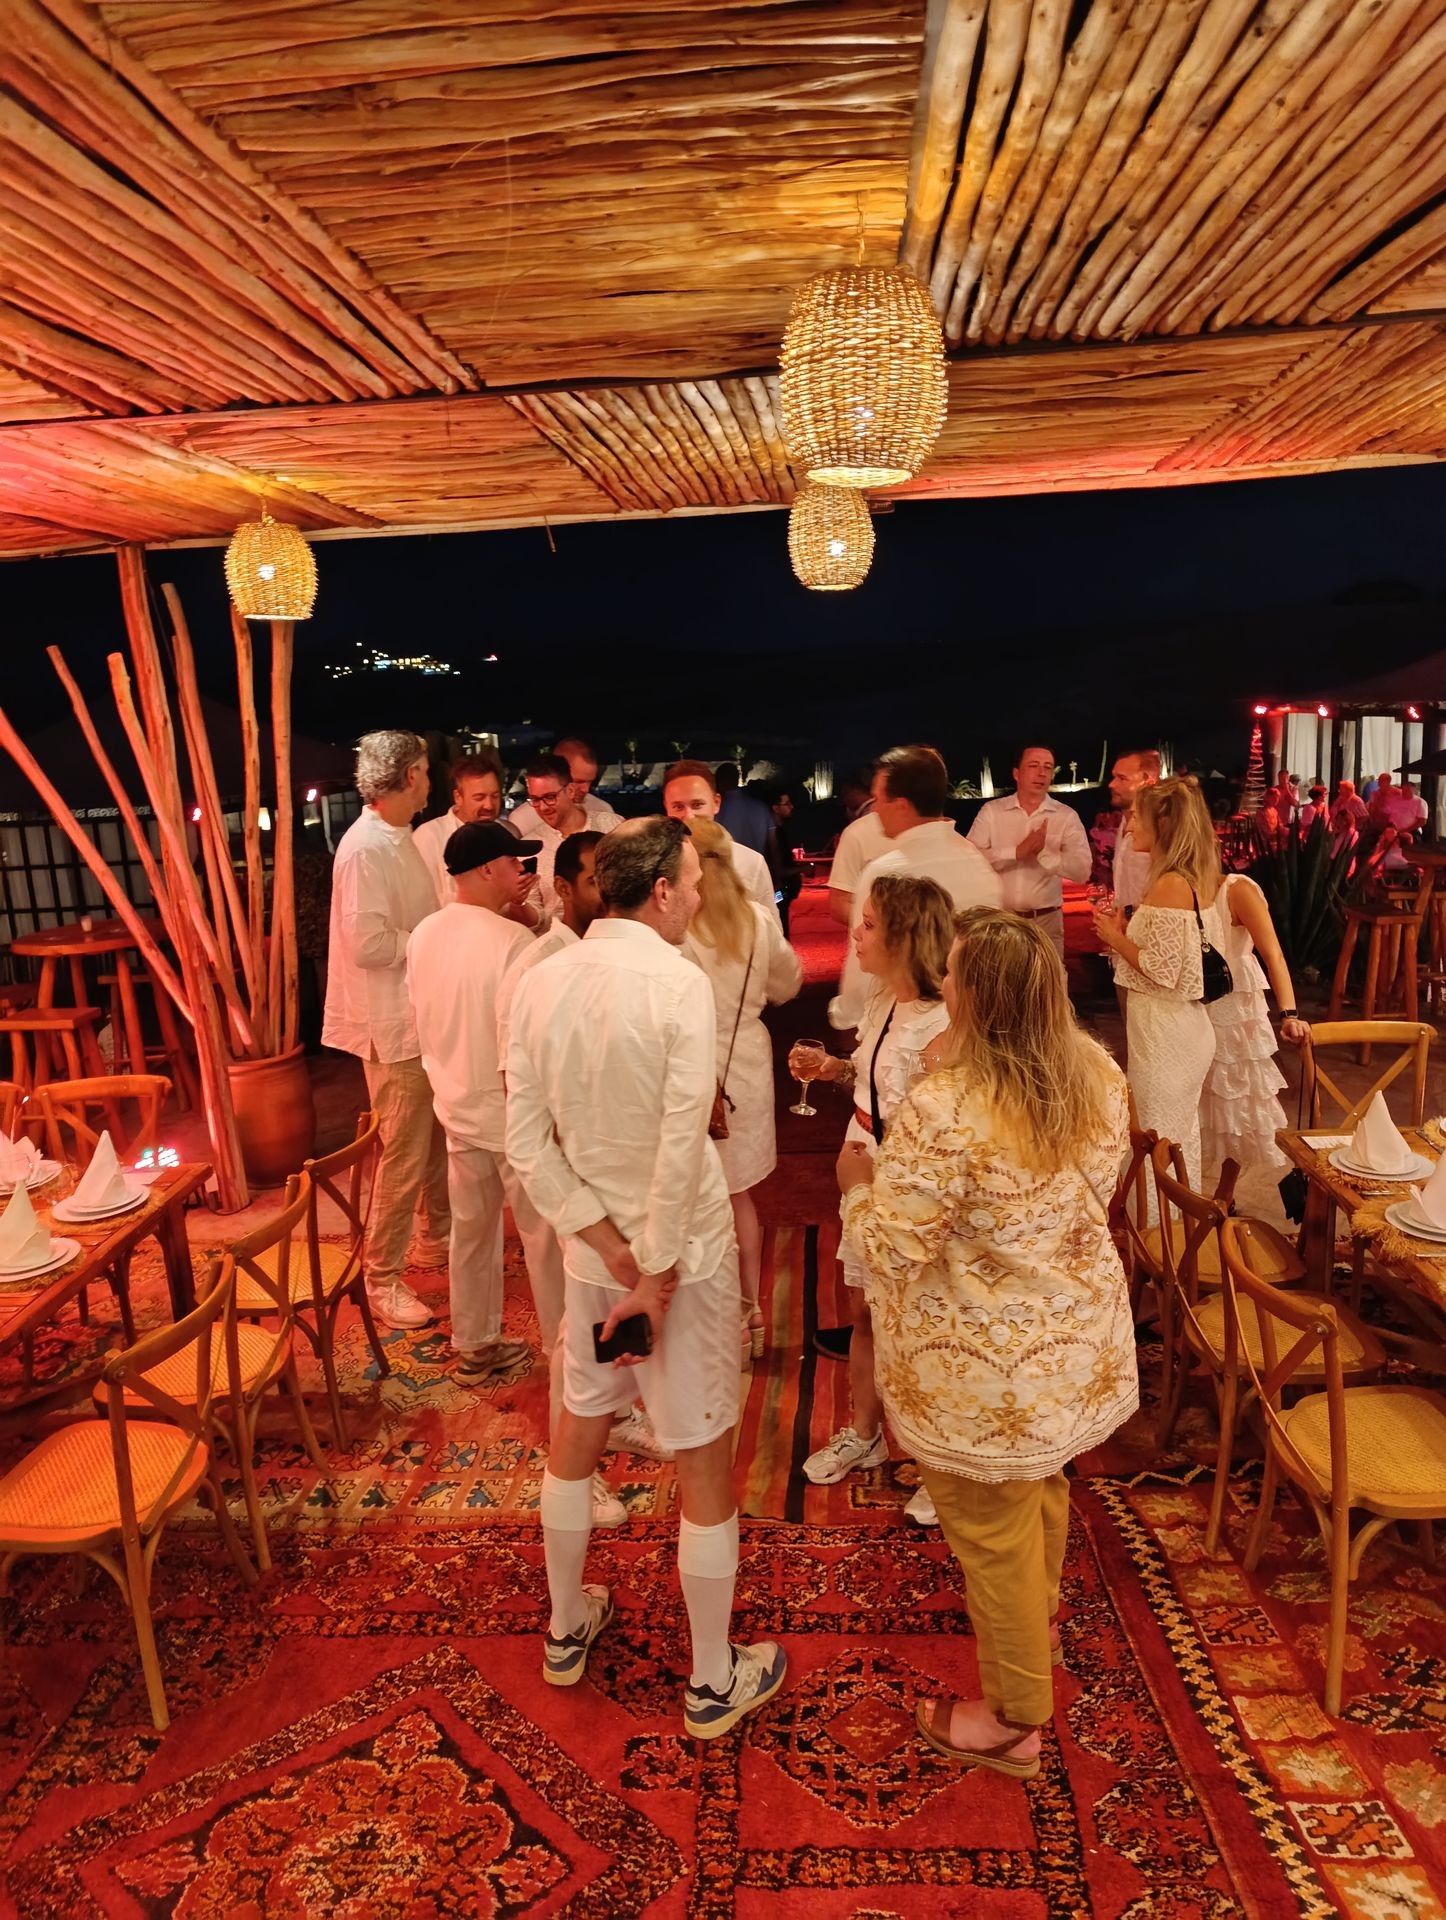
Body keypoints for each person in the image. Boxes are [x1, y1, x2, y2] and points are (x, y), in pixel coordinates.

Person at [839, 908, 1136, 1778]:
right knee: (1038, 1494)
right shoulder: (1093, 1071)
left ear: (972, 996)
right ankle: (1030, 1630)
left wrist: (858, 1182)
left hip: (978, 1369)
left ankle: (1014, 1717)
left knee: (994, 1533)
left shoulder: (947, 1109)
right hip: (1072, 1344)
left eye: (958, 974)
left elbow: (892, 1248)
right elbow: (1091, 1189)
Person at [506, 817, 787, 1737]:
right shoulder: (678, 983)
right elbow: (679, 1142)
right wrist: (655, 1272)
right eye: (696, 879)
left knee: (576, 1428)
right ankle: (711, 1678)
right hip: (684, 1268)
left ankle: (563, 1624)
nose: (704, 893)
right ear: (661, 891)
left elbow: (527, 1144)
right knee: (702, 1455)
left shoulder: (541, 979)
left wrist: (607, 1247)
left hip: (596, 1261)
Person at [496, 830, 670, 1516]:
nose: (611, 893)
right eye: (598, 880)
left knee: (608, 1319)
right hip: (564, 1174)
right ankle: (573, 1467)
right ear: (565, 889)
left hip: (618, 1170)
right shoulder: (538, 966)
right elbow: (522, 1095)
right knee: (568, 1325)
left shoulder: (632, 960)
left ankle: (614, 1417)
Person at [791, 874, 955, 1524]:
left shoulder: (949, 1020)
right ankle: (866, 1433)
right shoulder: (887, 1000)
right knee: (864, 1312)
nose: (853, 934)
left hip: (909, 1183)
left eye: (867, 925)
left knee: (925, 1325)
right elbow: (874, 1073)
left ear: (904, 937)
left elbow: (949, 1124)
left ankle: (941, 1464)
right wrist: (834, 1071)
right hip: (866, 1164)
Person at [405, 822, 541, 1385]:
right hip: (510, 1112)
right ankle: (567, 1353)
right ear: (488, 869)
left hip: (455, 1102)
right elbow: (526, 1042)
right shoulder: (512, 942)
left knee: (471, 1232)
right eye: (515, 862)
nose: (521, 872)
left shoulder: (425, 933)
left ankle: (475, 1344)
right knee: (545, 1241)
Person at [322, 730, 448, 1330]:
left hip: (414, 1012)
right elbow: (368, 943)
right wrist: (436, 940)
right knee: (402, 1154)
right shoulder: (367, 847)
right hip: (389, 1023)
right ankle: (382, 1277)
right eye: (423, 769)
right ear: (405, 778)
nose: (430, 778)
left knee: (430, 1144)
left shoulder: (397, 838)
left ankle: (433, 1239)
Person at [683, 819, 803, 1361]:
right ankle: (748, 1312)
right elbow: (788, 983)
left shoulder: (676, 923)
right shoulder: (756, 918)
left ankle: (702, 1318)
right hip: (745, 1062)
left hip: (687, 1065)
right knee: (739, 1198)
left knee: (688, 1200)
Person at [1093, 775, 1230, 1192]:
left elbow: (1164, 970)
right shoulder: (1185, 878)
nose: (1130, 826)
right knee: (1173, 1133)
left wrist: (1114, 937)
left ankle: (1159, 1235)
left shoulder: (1171, 883)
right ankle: (1169, 1226)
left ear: (1164, 824)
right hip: (1172, 1028)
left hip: (1168, 1034)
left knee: (1156, 1137)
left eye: (1137, 817)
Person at [830, 746, 1000, 1031]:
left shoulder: (888, 874)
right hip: (968, 1024)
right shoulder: (978, 863)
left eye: (880, 798)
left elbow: (865, 966)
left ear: (901, 805)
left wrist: (847, 1014)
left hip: (903, 1027)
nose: (875, 807)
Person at [1201, 871, 1309, 1174]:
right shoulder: (1177, 886)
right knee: (1199, 1101)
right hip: (1193, 1004)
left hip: (1235, 1009)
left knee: (1237, 1101)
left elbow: (1273, 953)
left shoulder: (1237, 889)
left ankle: (1225, 1192)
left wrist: (1289, 1014)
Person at [967, 745, 1092, 961]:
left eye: (1048, 767)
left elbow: (1082, 871)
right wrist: (1016, 852)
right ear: (1017, 773)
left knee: (1050, 987)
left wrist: (1045, 855)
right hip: (1002, 921)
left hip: (1046, 921)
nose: (1041, 773)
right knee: (1001, 985)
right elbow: (970, 860)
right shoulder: (993, 811)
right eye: (1034, 766)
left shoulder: (1065, 816)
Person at [663, 760, 781, 927]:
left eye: (697, 805)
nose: (688, 816)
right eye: (678, 807)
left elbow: (773, 934)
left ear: (716, 803)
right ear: (667, 809)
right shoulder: (656, 864)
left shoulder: (750, 863)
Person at [413, 748, 511, 906]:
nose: (489, 805)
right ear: (458, 797)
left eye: (495, 796)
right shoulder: (429, 836)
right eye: (479, 797)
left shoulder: (505, 833)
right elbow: (422, 902)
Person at [520, 753, 598, 917]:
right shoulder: (528, 847)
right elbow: (535, 917)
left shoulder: (612, 827)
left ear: (570, 790)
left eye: (550, 797)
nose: (542, 807)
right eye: (534, 799)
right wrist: (518, 903)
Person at [511, 737, 621, 837]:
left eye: (590, 782)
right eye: (578, 781)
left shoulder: (604, 810)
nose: (585, 790)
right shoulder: (522, 820)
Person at [1108, 749, 1161, 915]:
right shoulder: (1125, 820)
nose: (1111, 784)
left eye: (1122, 778)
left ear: (1148, 781)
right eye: (1114, 776)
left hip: (1153, 932)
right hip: (1126, 930)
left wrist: (1130, 915)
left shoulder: (1160, 826)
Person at [715, 762, 777, 863]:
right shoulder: (761, 808)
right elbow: (774, 848)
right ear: (736, 779)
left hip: (729, 872)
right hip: (758, 869)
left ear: (719, 782)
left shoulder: (716, 811)